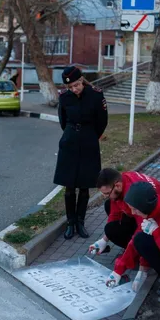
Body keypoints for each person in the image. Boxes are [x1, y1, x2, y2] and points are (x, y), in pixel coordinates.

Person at [53, 66, 108, 239]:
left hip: (88, 141)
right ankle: (70, 222)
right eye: (70, 87)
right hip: (69, 142)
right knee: (69, 186)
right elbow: (63, 121)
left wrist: (90, 136)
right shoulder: (64, 97)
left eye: (76, 85)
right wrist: (72, 134)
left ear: (82, 80)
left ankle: (80, 222)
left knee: (84, 185)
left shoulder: (96, 95)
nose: (74, 89)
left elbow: (102, 122)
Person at [90, 168, 160, 290]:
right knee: (138, 237)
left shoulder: (143, 204)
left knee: (141, 240)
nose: (132, 213)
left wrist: (141, 268)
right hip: (152, 220)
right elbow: (115, 212)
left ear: (117, 185)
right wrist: (104, 240)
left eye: (135, 210)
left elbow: (141, 236)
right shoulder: (128, 186)